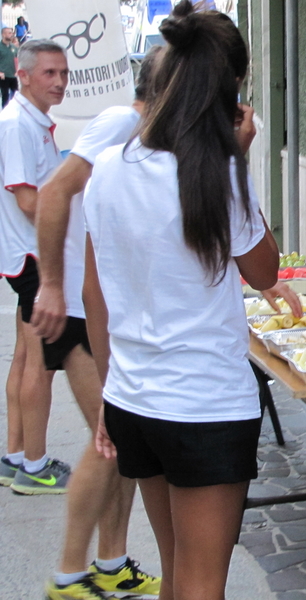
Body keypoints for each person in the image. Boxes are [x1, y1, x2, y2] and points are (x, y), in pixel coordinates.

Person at [83, 2, 281, 598]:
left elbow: (96, 298)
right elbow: (265, 271)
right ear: (233, 88)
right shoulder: (220, 174)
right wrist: (240, 160)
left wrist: (107, 392)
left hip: (134, 400)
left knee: (178, 576)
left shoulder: (107, 171)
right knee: (200, 584)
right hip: (206, 408)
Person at [32, 47, 164, 600]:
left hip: (103, 309)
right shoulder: (121, 122)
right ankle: (68, 573)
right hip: (78, 312)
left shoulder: (147, 135)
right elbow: (54, 192)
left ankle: (110, 562)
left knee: (122, 443)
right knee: (105, 441)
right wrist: (52, 285)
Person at [0, 39, 71, 495]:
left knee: (27, 357)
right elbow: (28, 200)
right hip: (32, 257)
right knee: (40, 365)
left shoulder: (28, 120)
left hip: (28, 254)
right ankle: (35, 465)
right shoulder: (16, 125)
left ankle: (14, 457)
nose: (60, 82)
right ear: (22, 74)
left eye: (63, 73)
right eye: (49, 73)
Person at [0, 26, 19, 107]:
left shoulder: (14, 47)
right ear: (3, 35)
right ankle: (4, 114)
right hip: (3, 76)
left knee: (16, 95)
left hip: (13, 75)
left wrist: (17, 70)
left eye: (11, 33)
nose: (11, 35)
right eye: (9, 33)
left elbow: (18, 59)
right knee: (5, 96)